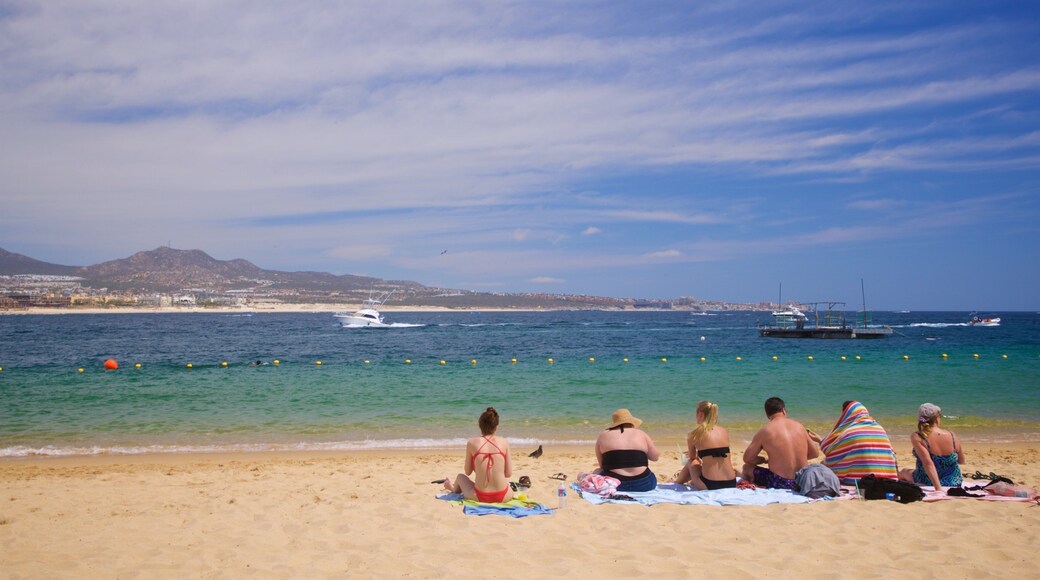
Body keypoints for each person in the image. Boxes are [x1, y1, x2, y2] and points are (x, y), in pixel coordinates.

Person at [807, 400, 898, 483]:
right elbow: (892, 455)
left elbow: (832, 454)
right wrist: (820, 440)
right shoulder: (879, 428)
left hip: (858, 481)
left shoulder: (850, 431)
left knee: (824, 464)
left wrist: (820, 442)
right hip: (885, 479)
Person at [742, 397, 819, 490]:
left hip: (781, 482)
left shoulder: (765, 431)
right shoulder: (800, 426)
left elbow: (748, 459)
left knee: (747, 468)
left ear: (767, 415)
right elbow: (815, 453)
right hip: (803, 480)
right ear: (783, 410)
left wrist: (765, 459)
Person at [443, 407, 513, 503]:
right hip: (503, 496)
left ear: (480, 426)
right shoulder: (504, 442)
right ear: (496, 427)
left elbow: (468, 472)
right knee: (506, 483)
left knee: (460, 477)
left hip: (480, 496)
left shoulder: (472, 443)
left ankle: (452, 488)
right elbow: (508, 474)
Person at [898, 403, 963, 490]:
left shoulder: (918, 436)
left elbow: (928, 464)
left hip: (928, 480)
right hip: (954, 480)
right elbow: (961, 460)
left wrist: (938, 488)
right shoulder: (952, 435)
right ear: (936, 418)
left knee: (904, 472)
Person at [673, 401, 737, 490]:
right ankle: (683, 481)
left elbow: (692, 458)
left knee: (692, 462)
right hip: (731, 483)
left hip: (710, 485)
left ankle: (677, 482)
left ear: (700, 414)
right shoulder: (724, 431)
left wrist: (696, 457)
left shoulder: (694, 434)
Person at [595, 408, 660, 492]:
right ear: (631, 422)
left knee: (597, 471)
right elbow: (655, 457)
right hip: (644, 484)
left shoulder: (603, 435)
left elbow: (602, 466)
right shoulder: (641, 434)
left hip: (615, 485)